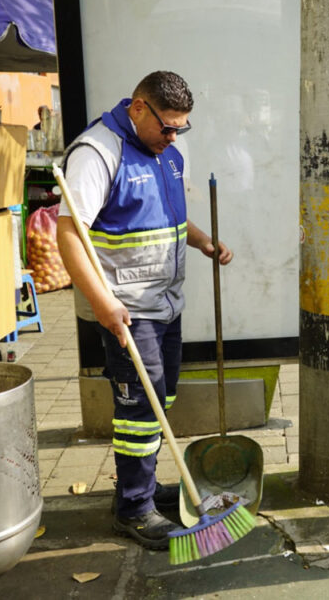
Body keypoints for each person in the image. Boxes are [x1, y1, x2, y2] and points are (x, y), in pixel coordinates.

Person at [56, 71, 233, 550]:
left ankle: (147, 485)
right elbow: (68, 235)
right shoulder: (97, 153)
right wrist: (102, 303)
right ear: (138, 108)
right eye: (167, 127)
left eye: (181, 128)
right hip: (129, 310)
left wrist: (203, 242)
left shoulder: (165, 153)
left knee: (160, 398)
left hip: (166, 304)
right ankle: (133, 508)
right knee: (139, 407)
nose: (174, 137)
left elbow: (169, 215)